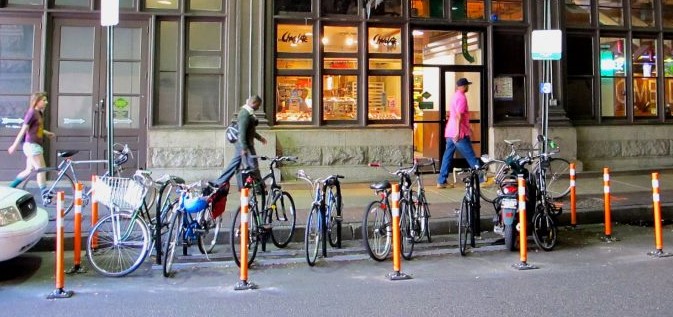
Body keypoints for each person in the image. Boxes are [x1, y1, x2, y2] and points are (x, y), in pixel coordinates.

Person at [7, 92, 56, 197]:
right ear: (37, 101)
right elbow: (24, 130)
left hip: (34, 145)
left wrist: (46, 133)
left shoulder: (39, 113)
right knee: (41, 168)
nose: (46, 102)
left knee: (29, 170)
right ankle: (44, 193)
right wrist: (14, 146)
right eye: (44, 100)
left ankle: (10, 188)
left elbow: (36, 128)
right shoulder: (32, 112)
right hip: (32, 145)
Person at [214, 95, 267, 188]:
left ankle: (219, 182)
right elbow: (242, 132)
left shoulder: (248, 113)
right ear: (253, 103)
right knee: (253, 165)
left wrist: (260, 138)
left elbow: (249, 130)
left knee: (237, 164)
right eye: (258, 105)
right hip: (245, 144)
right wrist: (244, 147)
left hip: (245, 144)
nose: (258, 107)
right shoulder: (245, 114)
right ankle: (260, 187)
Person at [437, 78, 480, 189]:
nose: (468, 87)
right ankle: (481, 178)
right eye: (467, 85)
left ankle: (441, 181)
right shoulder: (462, 98)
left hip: (450, 132)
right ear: (464, 86)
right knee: (471, 156)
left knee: (447, 156)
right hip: (459, 134)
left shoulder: (455, 96)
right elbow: (459, 116)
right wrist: (458, 132)